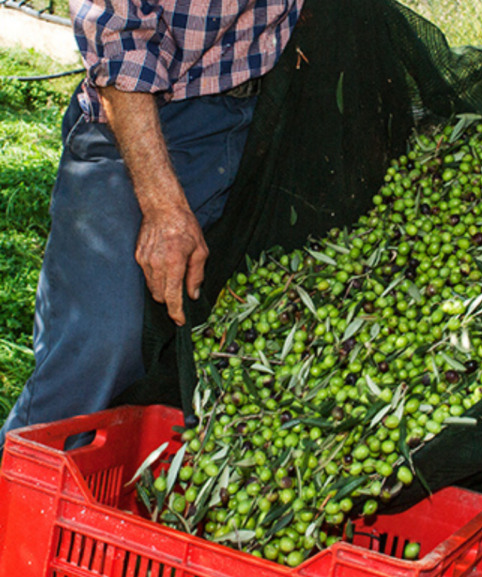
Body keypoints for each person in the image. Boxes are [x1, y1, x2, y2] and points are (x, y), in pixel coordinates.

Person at [0, 0, 303, 449]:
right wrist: (163, 207)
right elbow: (117, 40)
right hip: (145, 117)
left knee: (225, 349)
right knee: (102, 342)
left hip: (260, 113)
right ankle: (27, 485)